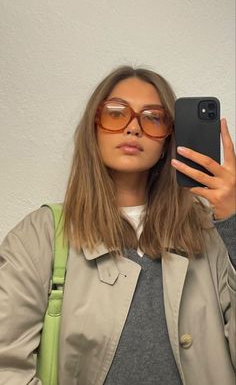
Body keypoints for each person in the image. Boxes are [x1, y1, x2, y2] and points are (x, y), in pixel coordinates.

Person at [0, 66, 235, 385]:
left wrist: (233, 223)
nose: (133, 128)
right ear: (93, 128)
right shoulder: (40, 235)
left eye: (153, 117)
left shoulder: (209, 233)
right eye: (115, 113)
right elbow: (7, 366)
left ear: (168, 139)